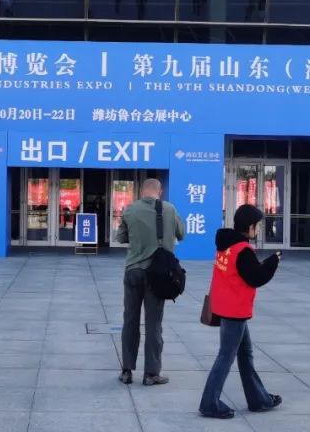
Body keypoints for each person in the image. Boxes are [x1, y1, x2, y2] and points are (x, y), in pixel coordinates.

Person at [199, 205, 283, 419]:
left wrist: (266, 263)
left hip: (226, 306)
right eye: (258, 225)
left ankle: (258, 399)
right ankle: (209, 403)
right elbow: (256, 277)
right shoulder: (243, 250)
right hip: (234, 310)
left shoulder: (227, 245)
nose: (259, 229)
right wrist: (273, 262)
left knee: (245, 355)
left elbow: (245, 273)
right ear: (250, 226)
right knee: (226, 356)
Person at [115, 178, 185, 386]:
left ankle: (127, 371)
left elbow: (120, 237)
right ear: (159, 191)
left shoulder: (130, 209)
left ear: (141, 191)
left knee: (130, 320)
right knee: (154, 324)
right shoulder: (169, 209)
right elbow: (181, 233)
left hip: (133, 271)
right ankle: (151, 374)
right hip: (158, 274)